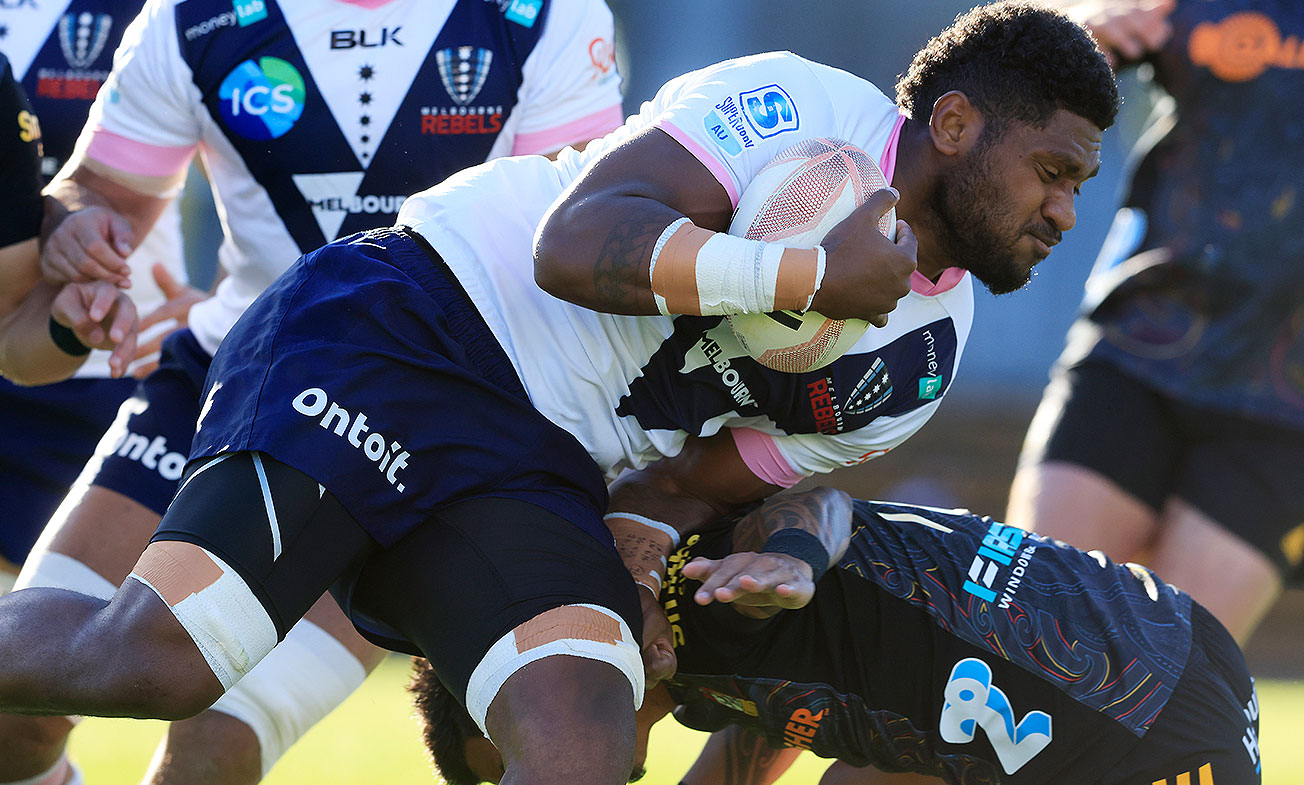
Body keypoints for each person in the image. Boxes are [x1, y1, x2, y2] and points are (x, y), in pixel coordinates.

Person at [0, 4, 1118, 785]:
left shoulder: (922, 358)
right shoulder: (802, 105)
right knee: (157, 667)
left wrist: (645, 543)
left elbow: (691, 477)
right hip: (411, 326)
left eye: (1079, 184)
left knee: (584, 726)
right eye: (1054, 172)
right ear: (958, 125)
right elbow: (573, 241)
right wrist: (802, 275)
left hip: (537, 455)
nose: (1065, 211)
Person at [2, 0, 625, 784]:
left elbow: (572, 244)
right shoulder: (191, 16)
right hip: (232, 368)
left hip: (430, 412)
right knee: (14, 719)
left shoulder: (542, 16)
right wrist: (84, 236)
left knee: (209, 752)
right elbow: (97, 194)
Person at [408, 486, 1263, 785]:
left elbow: (822, 504)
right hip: (1134, 666)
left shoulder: (689, 596)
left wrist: (790, 556)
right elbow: (761, 730)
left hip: (1141, 710)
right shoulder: (694, 686)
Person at [1005, 0, 1304, 645]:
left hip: (1303, 395)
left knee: (1157, 682)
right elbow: (1017, 65)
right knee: (1011, 639)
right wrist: (1077, 32)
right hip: (1140, 348)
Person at [0, 0, 196, 599]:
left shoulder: (179, 16)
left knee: (53, 645)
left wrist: (238, 307)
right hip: (36, 330)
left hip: (97, 357)